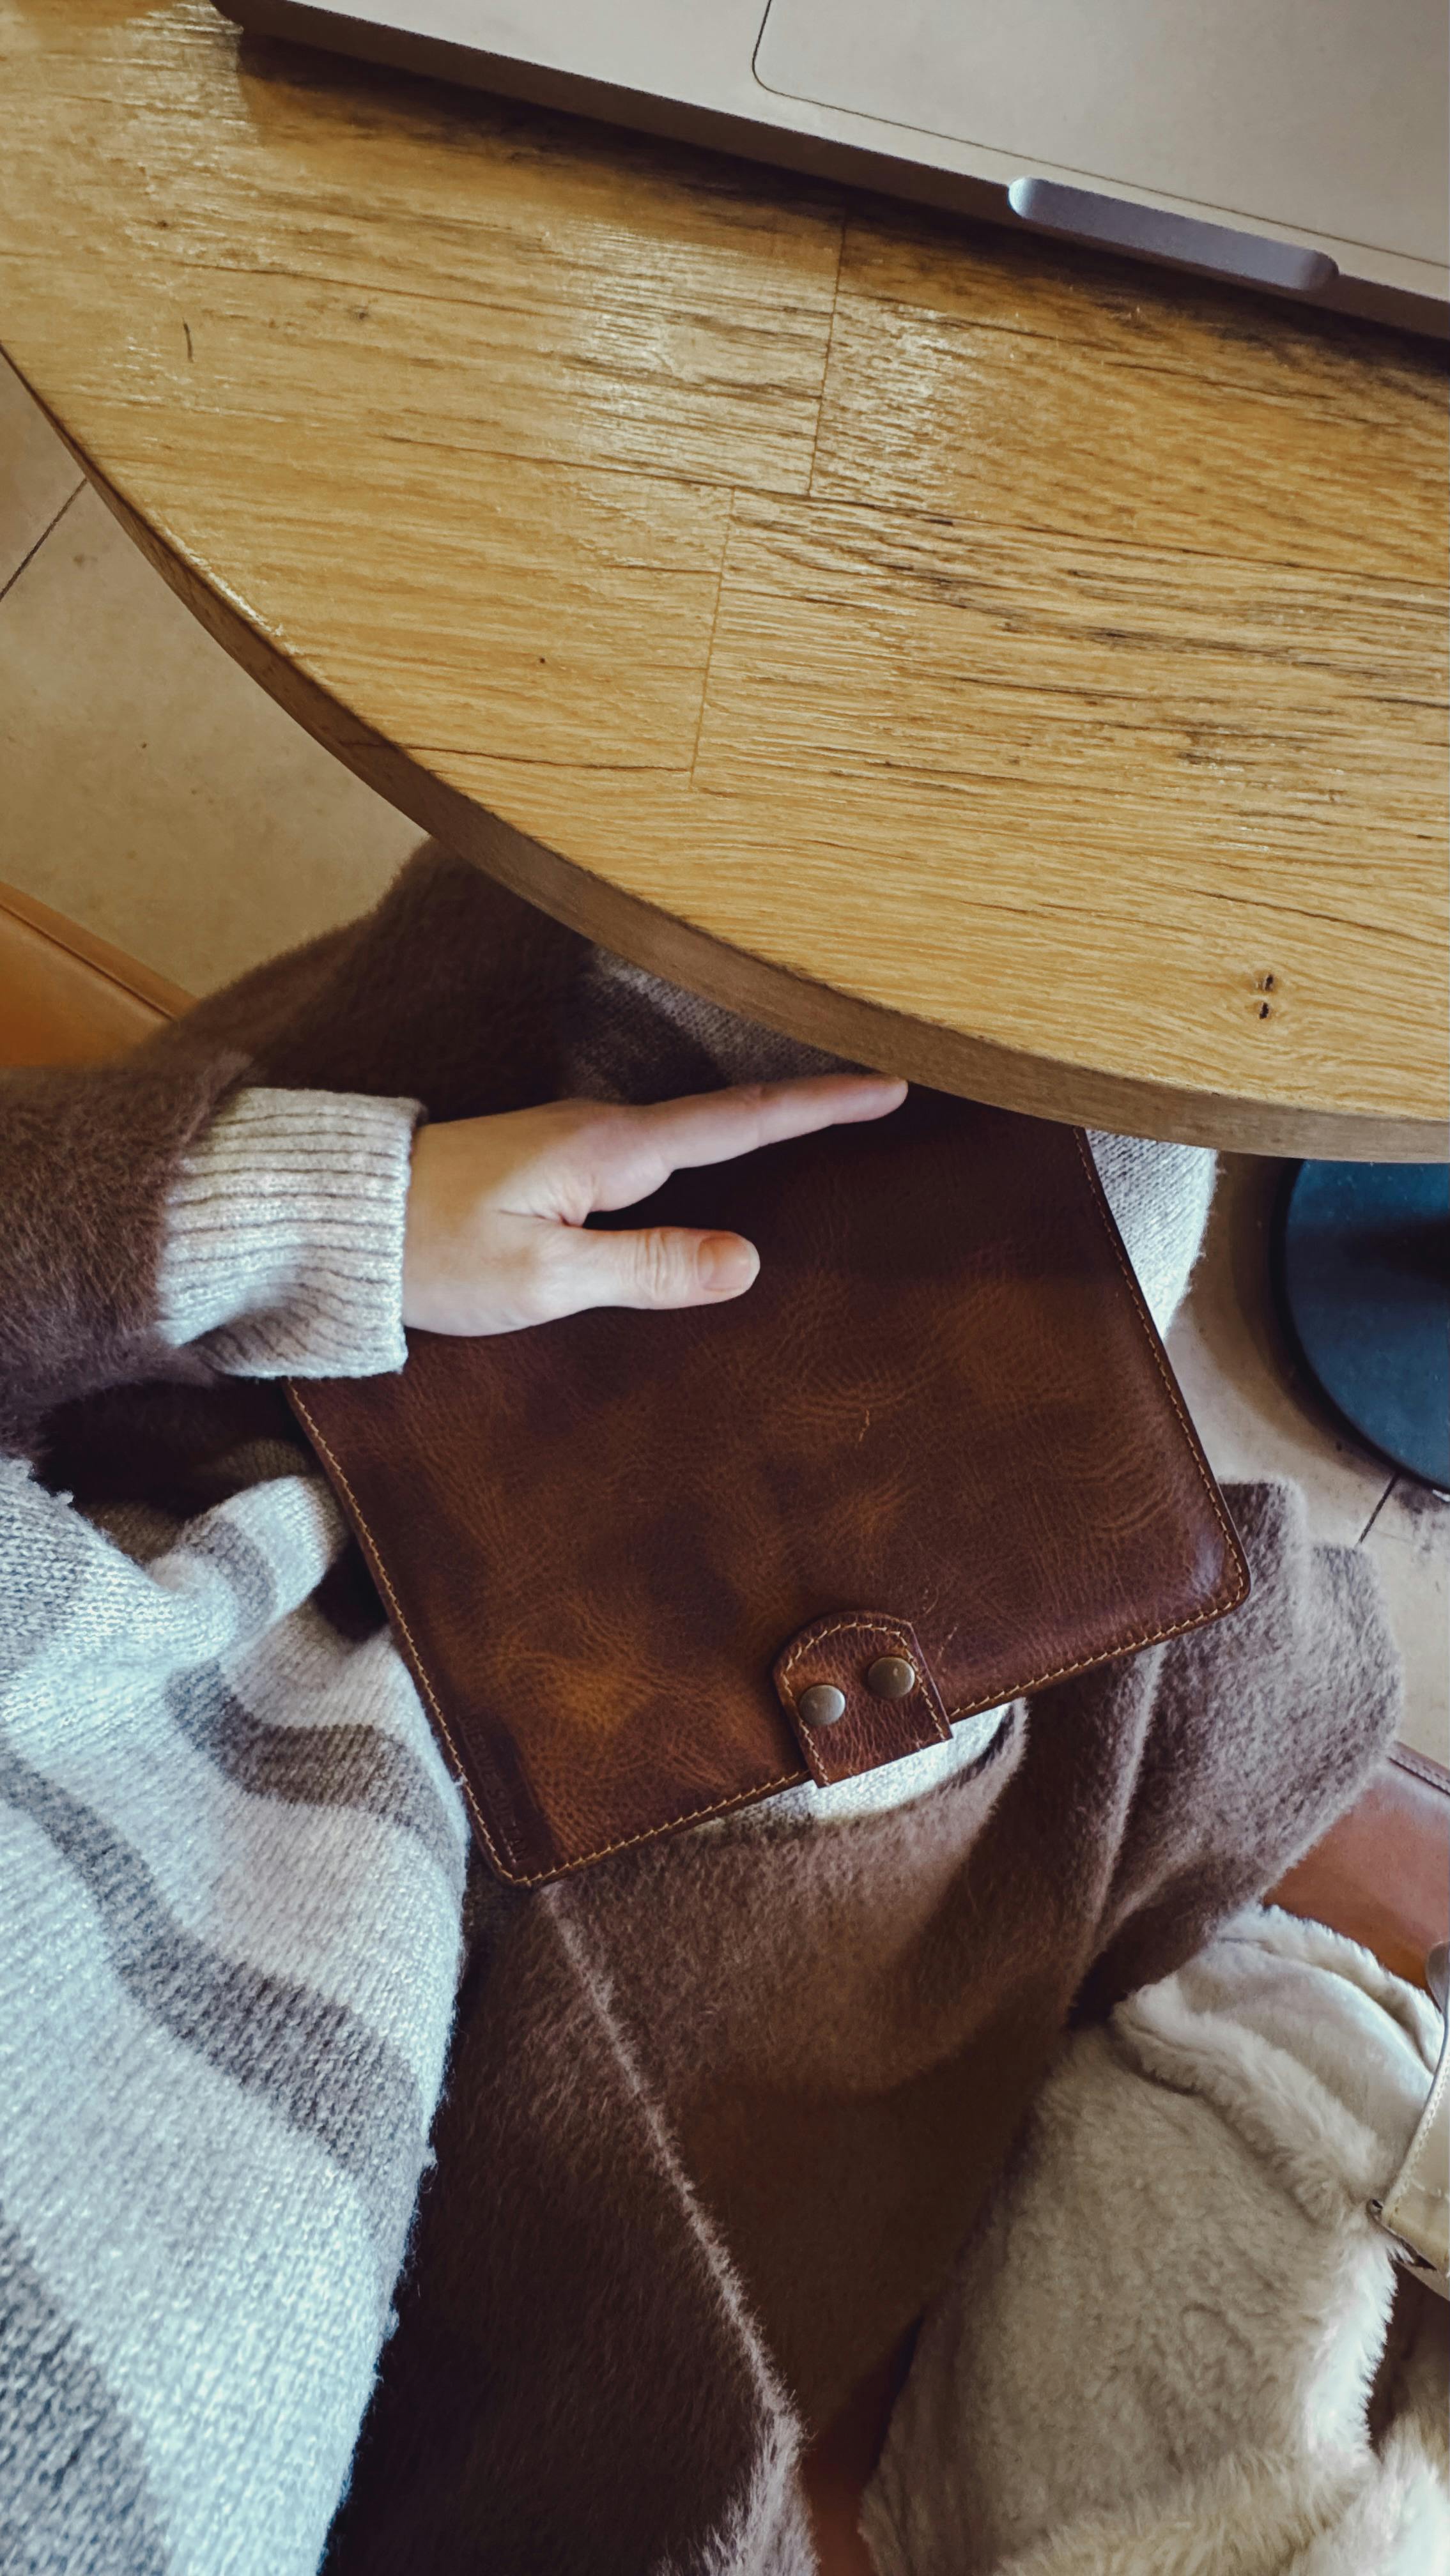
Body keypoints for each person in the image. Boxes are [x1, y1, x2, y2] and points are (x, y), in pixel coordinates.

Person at [0, 844, 1400, 2576]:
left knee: (709, 904)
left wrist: (308, 1219)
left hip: (173, 1431)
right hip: (595, 1974)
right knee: (1095, 1107)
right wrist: (819, 1812)